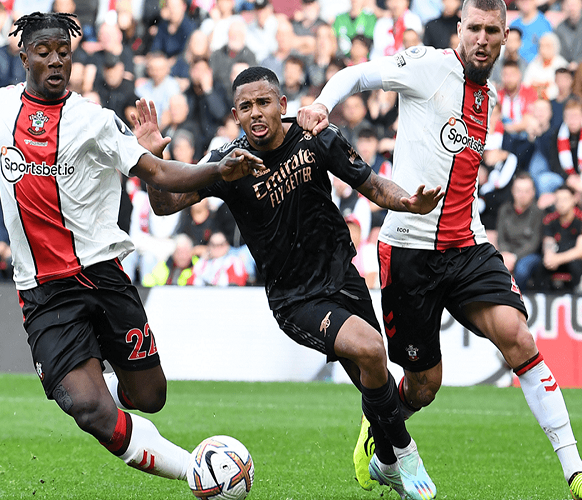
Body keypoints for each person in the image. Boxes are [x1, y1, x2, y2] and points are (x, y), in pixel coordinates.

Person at [0, 12, 261, 484]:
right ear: (24, 57)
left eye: (64, 52)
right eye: (44, 52)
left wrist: (215, 170)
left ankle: (100, 384)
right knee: (88, 410)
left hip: (101, 275)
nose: (56, 60)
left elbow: (158, 173)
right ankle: (194, 472)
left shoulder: (96, 121)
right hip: (43, 292)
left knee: (151, 397)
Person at [295, 0, 582, 498]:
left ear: (506, 37)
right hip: (409, 250)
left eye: (493, 31)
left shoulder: (489, 95)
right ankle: (380, 424)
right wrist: (321, 104)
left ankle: (576, 474)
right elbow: (359, 74)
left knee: (520, 339)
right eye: (475, 29)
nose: (482, 39)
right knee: (424, 386)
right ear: (460, 29)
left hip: (468, 244)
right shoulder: (428, 66)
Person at [145, 66, 444, 500]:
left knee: (373, 380)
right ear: (235, 114)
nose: (256, 112)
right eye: (245, 106)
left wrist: (408, 202)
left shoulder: (315, 136)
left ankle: (382, 459)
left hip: (343, 276)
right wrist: (152, 162)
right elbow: (165, 205)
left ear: (281, 104)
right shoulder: (229, 163)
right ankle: (405, 455)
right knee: (369, 349)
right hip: (295, 299)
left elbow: (371, 184)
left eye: (263, 102)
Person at [534, 184, 582, 292]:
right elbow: (548, 242)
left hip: (574, 258)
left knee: (576, 265)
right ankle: (541, 296)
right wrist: (549, 256)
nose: (561, 204)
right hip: (557, 255)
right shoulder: (550, 219)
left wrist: (557, 259)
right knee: (541, 265)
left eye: (565, 199)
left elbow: (581, 252)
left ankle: (576, 297)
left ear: (574, 199)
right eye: (558, 200)